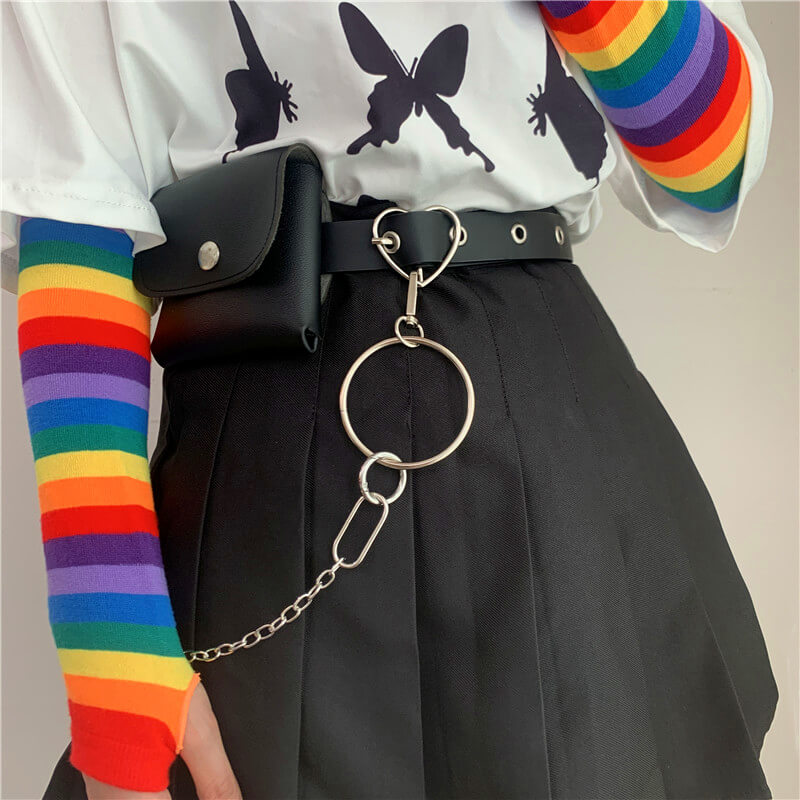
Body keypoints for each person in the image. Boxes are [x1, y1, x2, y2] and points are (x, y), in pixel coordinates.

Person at [2, 1, 778, 798]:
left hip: (544, 408)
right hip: (266, 430)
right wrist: (115, 670)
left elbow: (712, 162)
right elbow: (73, 204)